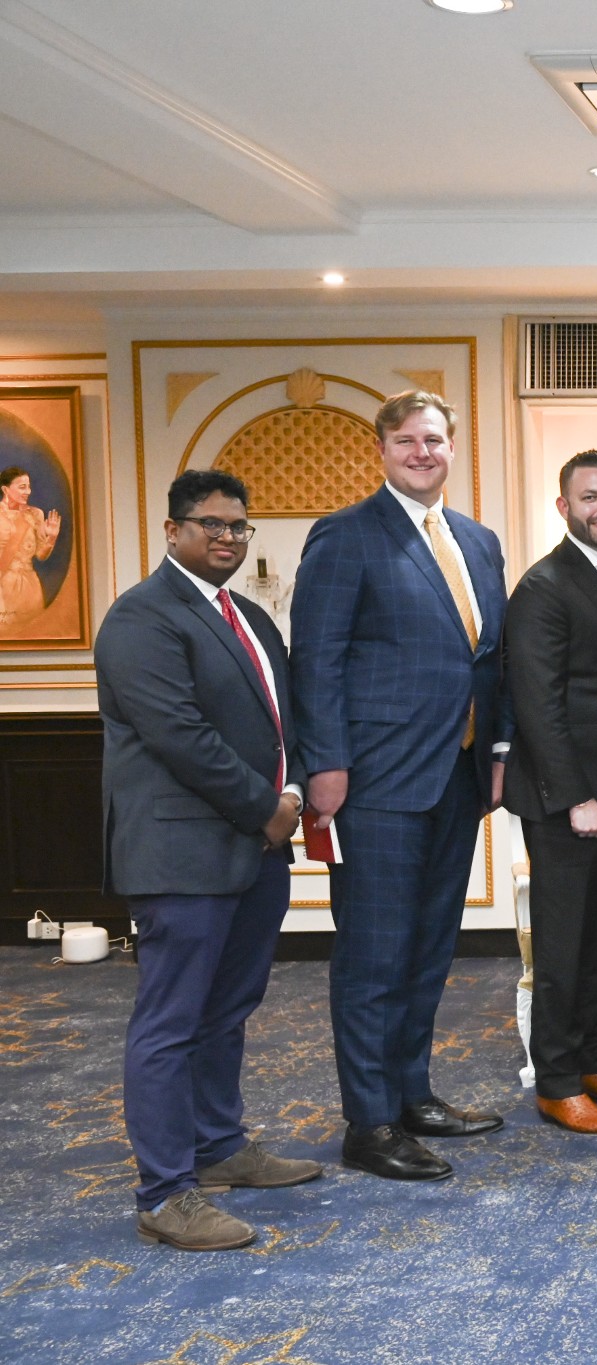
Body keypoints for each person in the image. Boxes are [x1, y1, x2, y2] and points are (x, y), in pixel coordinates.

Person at [97, 469, 320, 1251]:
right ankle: (165, 1191)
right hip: (182, 852)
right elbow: (180, 736)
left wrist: (292, 791)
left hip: (254, 849)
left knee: (227, 1009)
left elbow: (282, 721)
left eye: (238, 526)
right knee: (171, 1021)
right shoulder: (141, 617)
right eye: (211, 524)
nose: (227, 537)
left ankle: (219, 1145)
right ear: (173, 530)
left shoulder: (248, 615)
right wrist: (269, 807)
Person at [292, 390, 510, 1183]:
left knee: (427, 949)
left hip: (457, 777)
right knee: (373, 956)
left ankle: (412, 1094)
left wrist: (498, 751)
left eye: (435, 440)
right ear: (382, 449)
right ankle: (370, 1120)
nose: (423, 452)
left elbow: (491, 659)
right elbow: (316, 657)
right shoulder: (346, 535)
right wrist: (324, 762)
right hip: (376, 780)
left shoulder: (478, 542)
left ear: (453, 448)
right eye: (408, 440)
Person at [502, 450, 597, 1136]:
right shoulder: (543, 587)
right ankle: (558, 1082)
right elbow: (538, 704)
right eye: (590, 496)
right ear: (563, 507)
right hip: (571, 802)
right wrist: (575, 796)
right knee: (563, 948)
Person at [0, 465, 60, 627]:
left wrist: (51, 538)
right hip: (3, 587)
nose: (28, 491)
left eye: (28, 487)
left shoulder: (35, 514)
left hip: (30, 586)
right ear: (5, 489)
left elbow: (40, 554)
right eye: (22, 487)